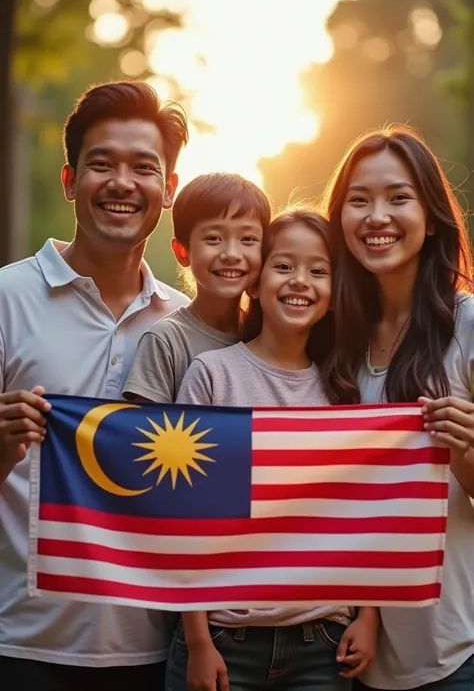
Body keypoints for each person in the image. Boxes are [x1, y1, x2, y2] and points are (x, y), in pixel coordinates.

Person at [0, 80, 190, 689]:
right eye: (100, 164)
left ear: (169, 192)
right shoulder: (6, 299)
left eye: (144, 168)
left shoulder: (189, 325)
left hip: (153, 653)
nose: (121, 183)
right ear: (68, 181)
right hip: (20, 646)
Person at [170, 209, 379, 691]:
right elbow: (185, 514)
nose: (300, 282)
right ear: (255, 282)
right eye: (283, 266)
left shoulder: (345, 391)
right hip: (223, 638)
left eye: (318, 270)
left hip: (324, 644)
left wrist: (369, 616)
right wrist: (198, 640)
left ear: (333, 295)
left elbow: (363, 517)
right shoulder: (211, 375)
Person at [323, 124, 474, 690]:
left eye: (398, 197)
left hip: (454, 651)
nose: (376, 216)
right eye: (358, 201)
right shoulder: (331, 338)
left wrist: (464, 452)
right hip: (346, 657)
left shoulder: (467, 325)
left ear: (431, 215)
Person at [123, 172, 272, 405]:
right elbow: (145, 435)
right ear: (183, 252)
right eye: (213, 238)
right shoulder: (166, 341)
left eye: (248, 239)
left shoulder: (267, 334)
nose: (231, 254)